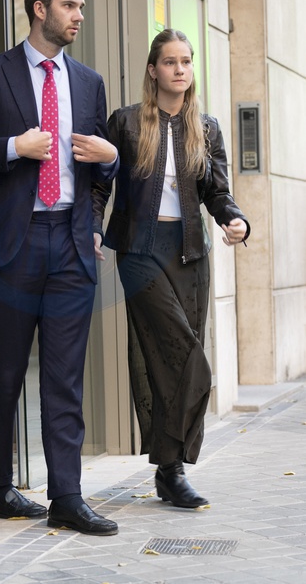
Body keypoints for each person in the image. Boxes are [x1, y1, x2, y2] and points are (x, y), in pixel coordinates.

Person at [0, 0, 119, 535]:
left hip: (71, 245)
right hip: (15, 244)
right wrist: (15, 146)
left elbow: (99, 170)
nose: (79, 15)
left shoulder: (89, 82)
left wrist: (108, 166)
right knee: (4, 371)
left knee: (64, 378)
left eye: (80, 5)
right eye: (69, 5)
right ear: (39, 9)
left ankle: (67, 497)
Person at [92, 28, 250, 509]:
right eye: (169, 62)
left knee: (171, 361)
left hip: (189, 254)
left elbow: (217, 192)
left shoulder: (208, 127)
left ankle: (169, 471)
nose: (180, 70)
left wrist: (235, 219)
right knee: (185, 357)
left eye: (186, 61)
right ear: (152, 69)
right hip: (140, 252)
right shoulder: (125, 123)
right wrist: (92, 227)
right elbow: (99, 184)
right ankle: (172, 465)